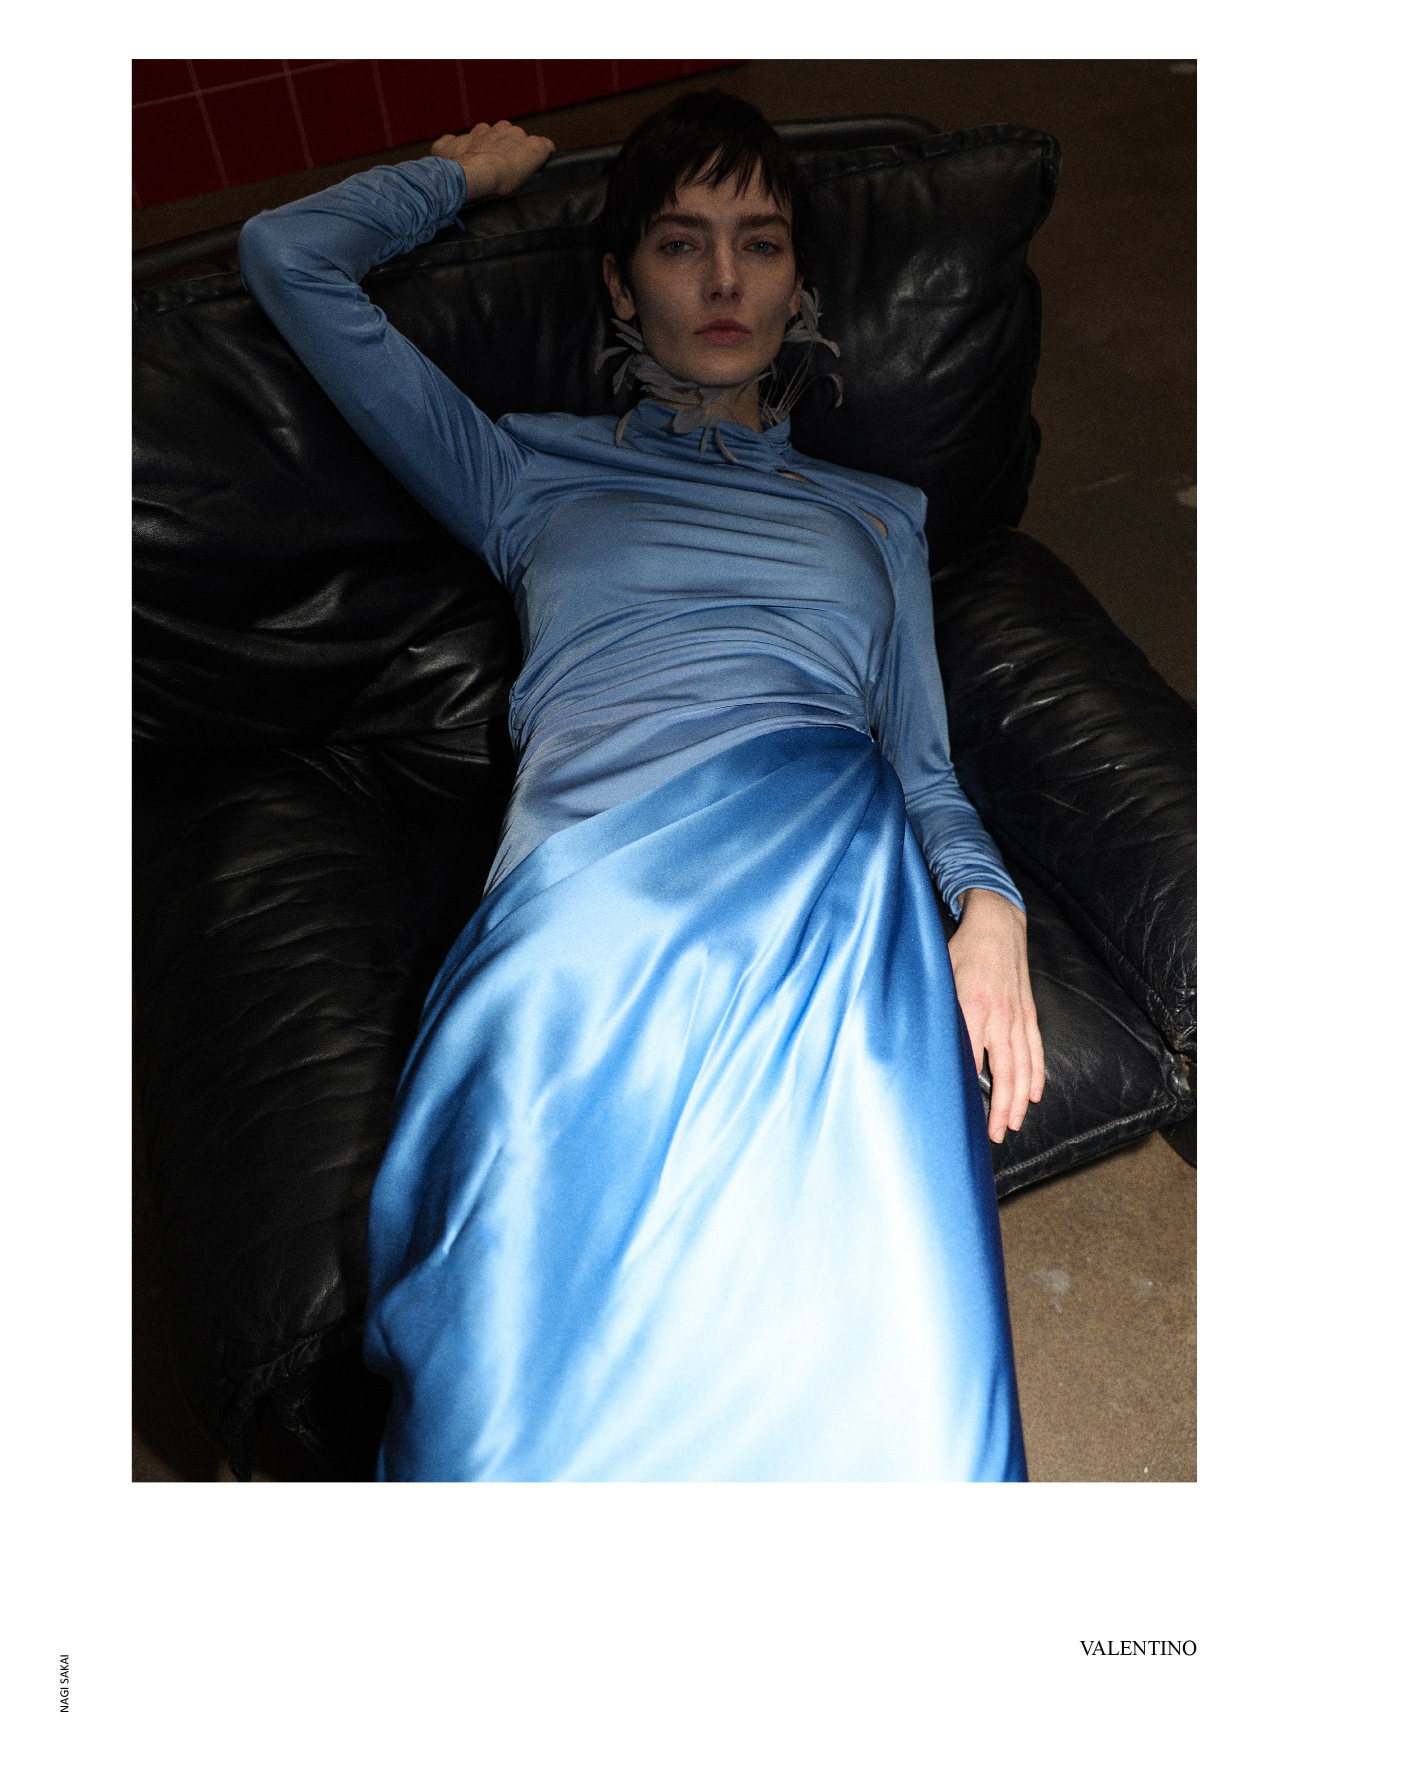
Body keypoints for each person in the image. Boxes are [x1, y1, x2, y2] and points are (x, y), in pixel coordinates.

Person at [238, 92, 1045, 1482]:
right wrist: (455, 177)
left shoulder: (881, 515)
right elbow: (285, 257)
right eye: (681, 245)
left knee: (888, 1370)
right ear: (620, 283)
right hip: (584, 915)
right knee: (507, 1409)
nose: (725, 280)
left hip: (830, 894)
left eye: (760, 244)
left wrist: (989, 904)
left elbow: (921, 759)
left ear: (798, 282)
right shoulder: (520, 468)